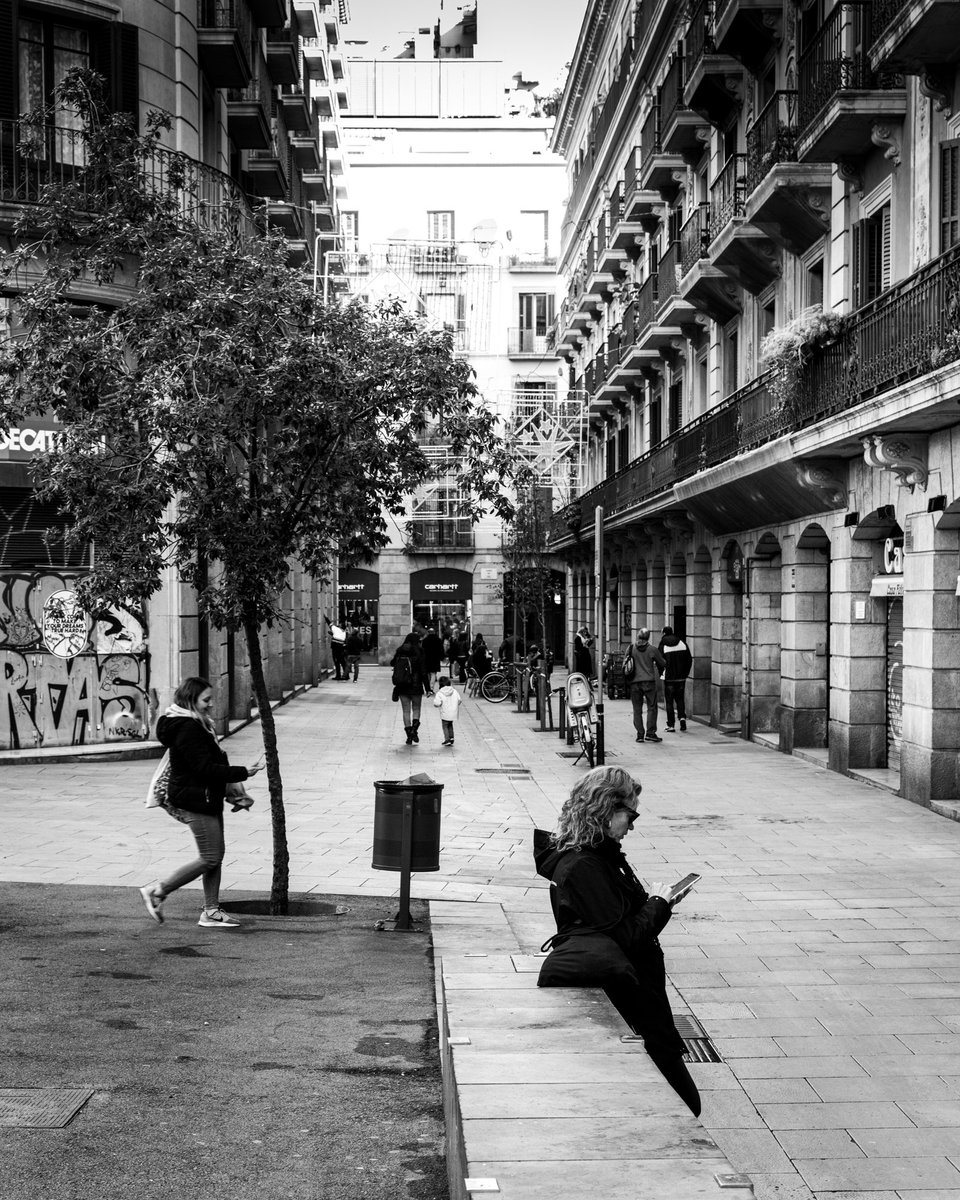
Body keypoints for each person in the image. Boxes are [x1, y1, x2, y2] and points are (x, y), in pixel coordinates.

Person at [534, 766, 700, 1117]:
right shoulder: (585, 866)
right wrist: (657, 905)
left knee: (676, 1106)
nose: (633, 825)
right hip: (629, 1001)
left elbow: (619, 918)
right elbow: (626, 937)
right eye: (630, 814)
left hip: (640, 997)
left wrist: (661, 901)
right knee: (686, 1105)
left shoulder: (602, 856)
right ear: (606, 810)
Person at [139, 677, 264, 929]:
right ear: (190, 700)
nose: (211, 704)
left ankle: (211, 911)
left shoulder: (197, 724)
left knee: (215, 856)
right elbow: (204, 768)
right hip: (195, 798)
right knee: (210, 856)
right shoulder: (188, 728)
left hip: (206, 796)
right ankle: (158, 891)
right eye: (206, 700)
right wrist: (242, 773)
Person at [626, 627, 666, 743]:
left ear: (638, 636)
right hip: (649, 682)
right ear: (648, 637)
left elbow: (626, 662)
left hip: (634, 682)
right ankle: (650, 733)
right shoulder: (652, 649)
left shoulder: (631, 648)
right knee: (652, 708)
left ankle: (640, 734)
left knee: (637, 709)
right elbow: (662, 663)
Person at [390, 632, 429, 744]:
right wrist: (428, 688)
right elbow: (423, 671)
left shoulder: (400, 650)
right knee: (416, 709)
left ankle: (409, 735)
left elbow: (392, 663)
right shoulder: (420, 652)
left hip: (402, 685)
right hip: (416, 685)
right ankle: (414, 731)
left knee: (406, 711)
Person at [658, 625, 693, 732]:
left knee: (669, 701)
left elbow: (660, 660)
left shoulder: (663, 644)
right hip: (681, 678)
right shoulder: (682, 643)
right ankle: (682, 719)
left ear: (663, 633)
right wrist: (685, 673)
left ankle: (671, 725)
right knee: (680, 699)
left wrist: (662, 673)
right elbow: (689, 659)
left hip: (669, 678)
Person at [433, 674, 463, 746]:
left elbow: (437, 703)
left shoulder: (440, 693)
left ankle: (447, 739)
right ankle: (451, 737)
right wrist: (455, 705)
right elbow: (459, 700)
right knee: (450, 724)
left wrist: (436, 705)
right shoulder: (454, 691)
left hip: (445, 713)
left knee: (445, 726)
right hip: (453, 712)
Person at [421, 624, 444, 694]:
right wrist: (441, 657)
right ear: (434, 632)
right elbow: (441, 650)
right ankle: (431, 688)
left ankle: (428, 688)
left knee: (427, 673)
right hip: (435, 659)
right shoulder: (438, 640)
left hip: (427, 659)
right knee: (433, 673)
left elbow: (422, 650)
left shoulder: (425, 640)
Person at [325, 614, 348, 681]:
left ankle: (338, 675)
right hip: (341, 648)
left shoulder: (336, 629)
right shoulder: (344, 632)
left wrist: (326, 617)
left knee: (336, 662)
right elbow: (338, 636)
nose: (338, 625)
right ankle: (346, 675)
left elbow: (330, 623)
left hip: (335, 648)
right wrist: (332, 634)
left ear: (341, 627)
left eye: (340, 624)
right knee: (342, 662)